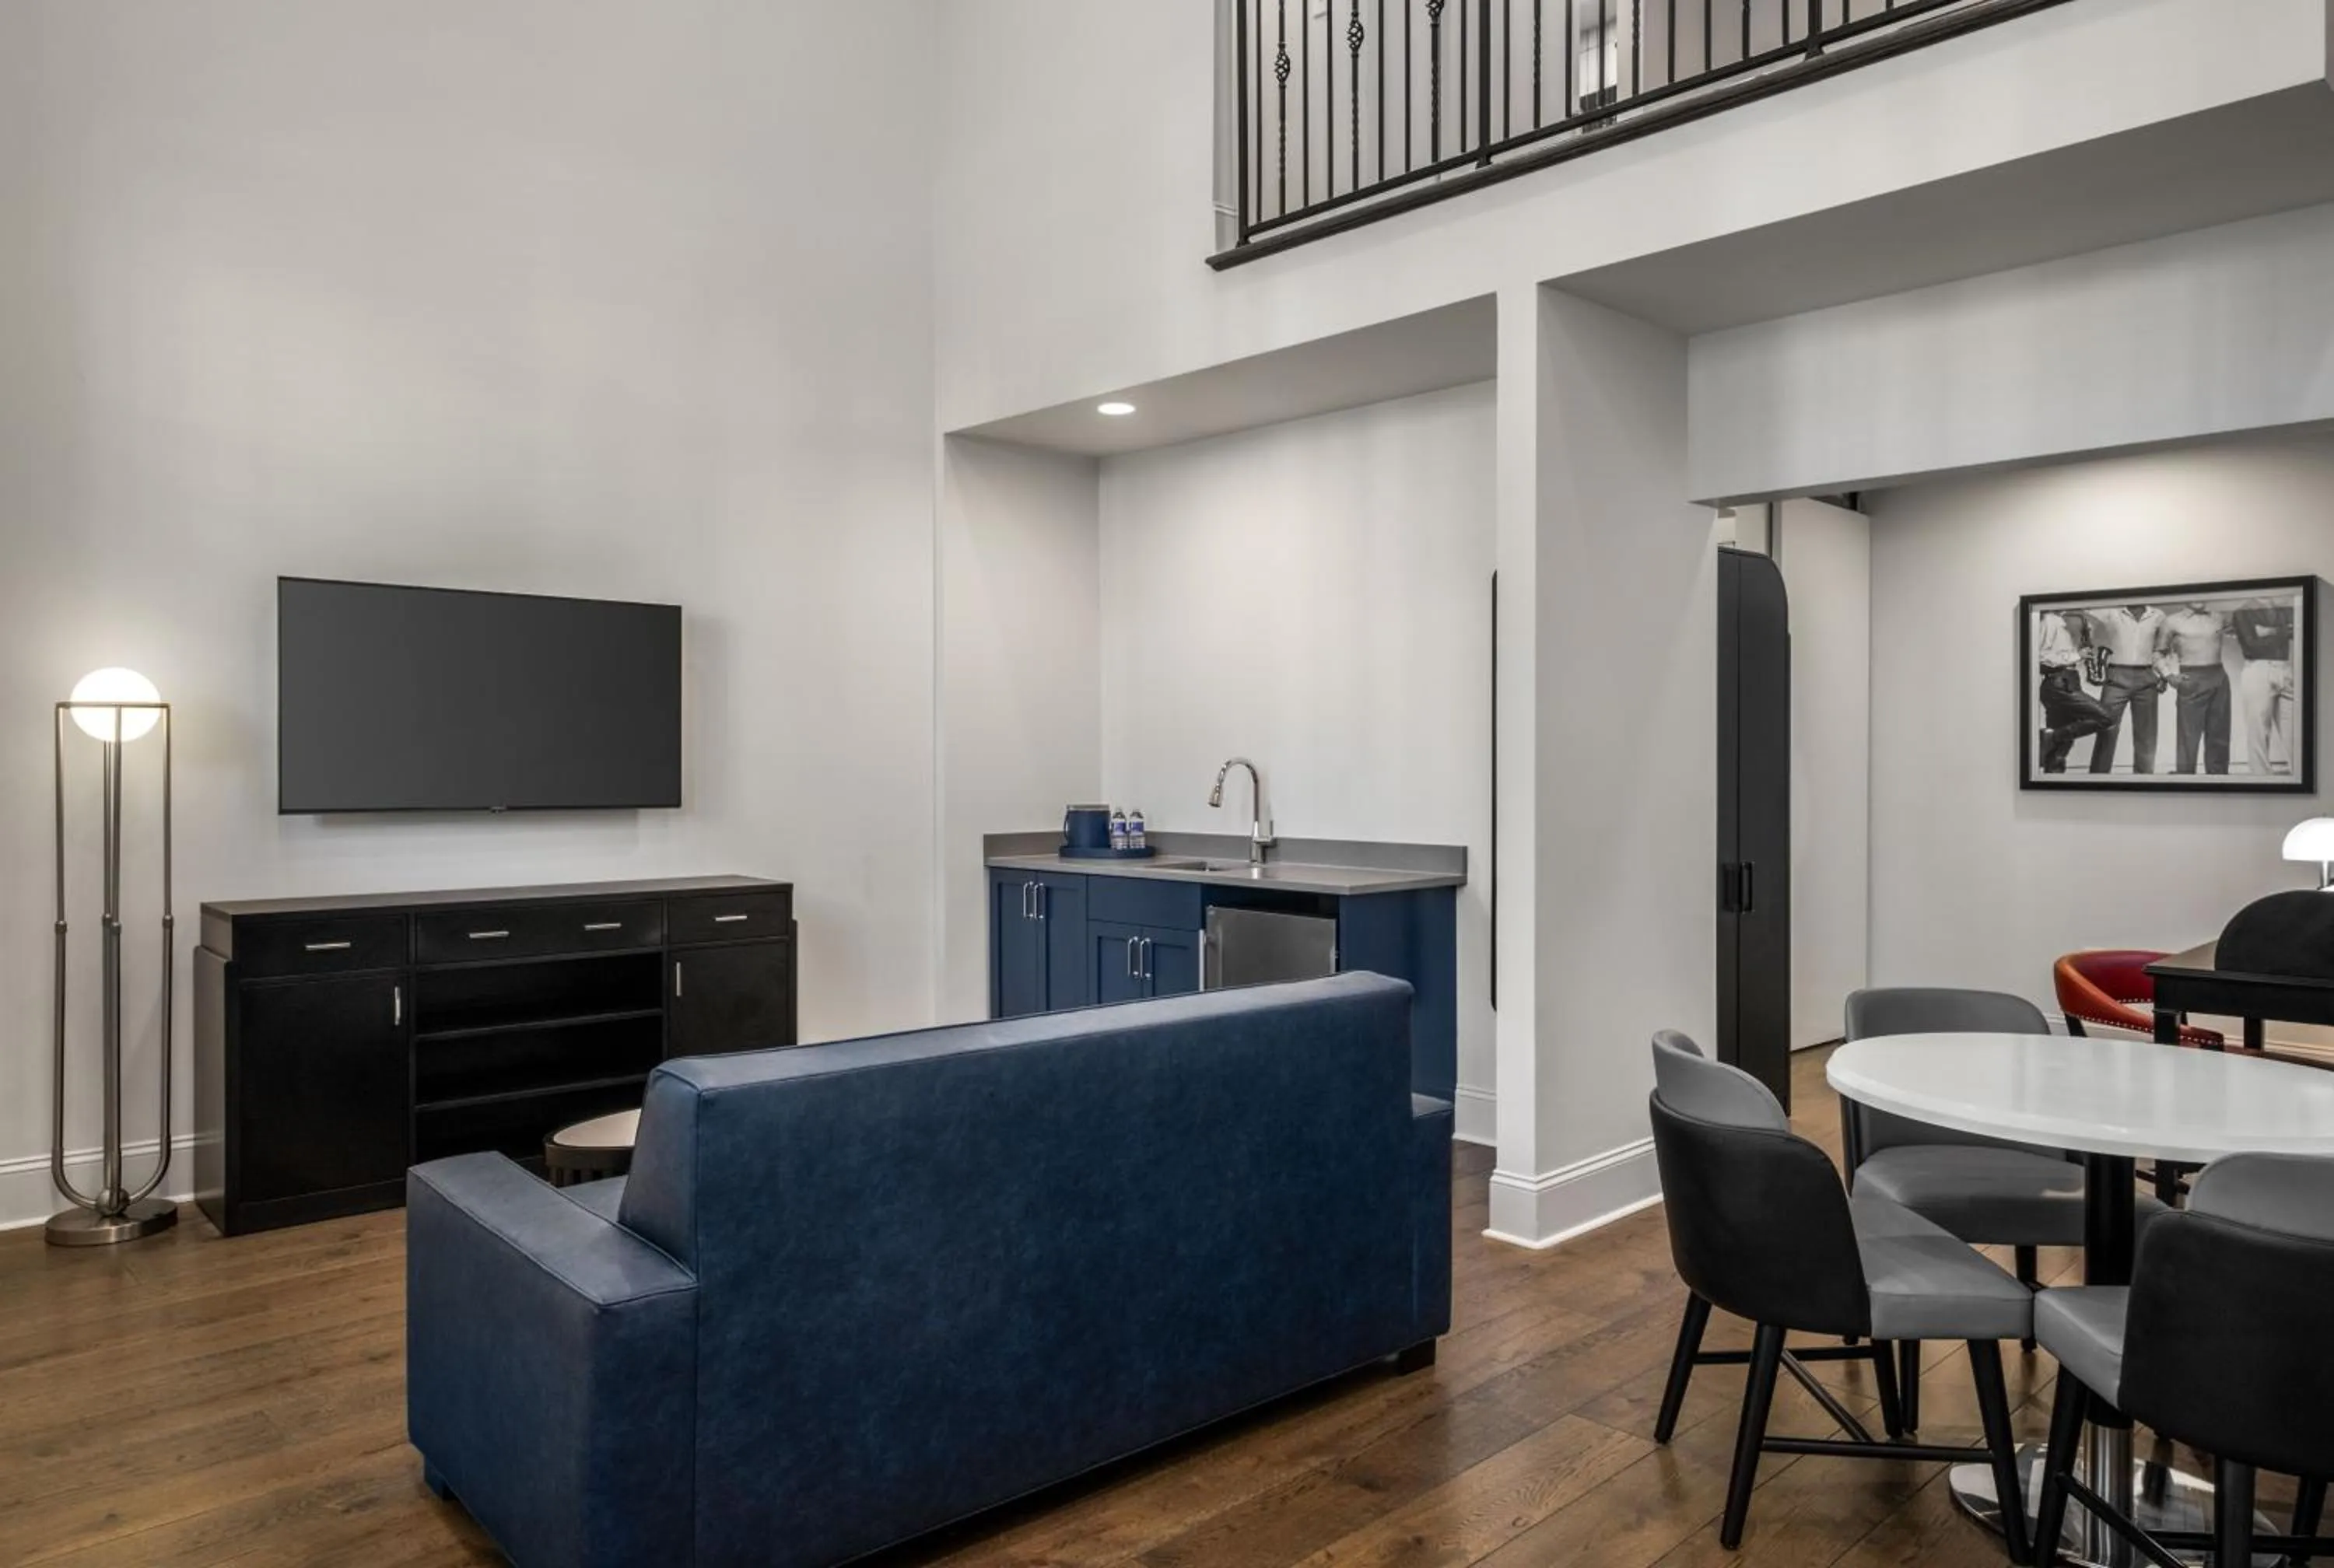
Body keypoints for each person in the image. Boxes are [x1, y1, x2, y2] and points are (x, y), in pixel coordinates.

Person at [2083, 604, 2167, 774]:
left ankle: (2144, 780)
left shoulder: (2158, 615)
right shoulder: (2111, 611)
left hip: (2146, 675)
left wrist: (2164, 674)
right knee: (2107, 728)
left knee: (2147, 735)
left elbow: (2164, 648)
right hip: (2116, 675)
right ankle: (2099, 778)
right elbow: (2085, 607)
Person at [2157, 601, 2234, 775]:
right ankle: (2185, 780)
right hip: (2192, 678)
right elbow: (2158, 653)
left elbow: (2234, 634)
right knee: (2188, 738)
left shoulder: (2218, 618)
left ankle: (2219, 782)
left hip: (2218, 676)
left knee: (2219, 736)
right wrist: (2169, 676)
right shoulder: (2172, 621)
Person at [2035, 609, 2111, 774]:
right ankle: (2051, 736)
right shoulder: (2050, 620)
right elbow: (2039, 657)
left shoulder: (2065, 621)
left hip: (2068, 680)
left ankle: (2053, 786)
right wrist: (2077, 655)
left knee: (2059, 752)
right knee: (2106, 717)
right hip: (2059, 683)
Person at [2231, 596, 2297, 778]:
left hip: (2285, 667)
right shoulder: (2242, 611)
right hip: (2258, 668)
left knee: (2295, 728)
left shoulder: (2286, 608)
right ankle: (2262, 778)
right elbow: (2251, 647)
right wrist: (2285, 631)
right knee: (2258, 730)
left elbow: (2300, 631)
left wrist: (2269, 632)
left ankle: (2302, 776)